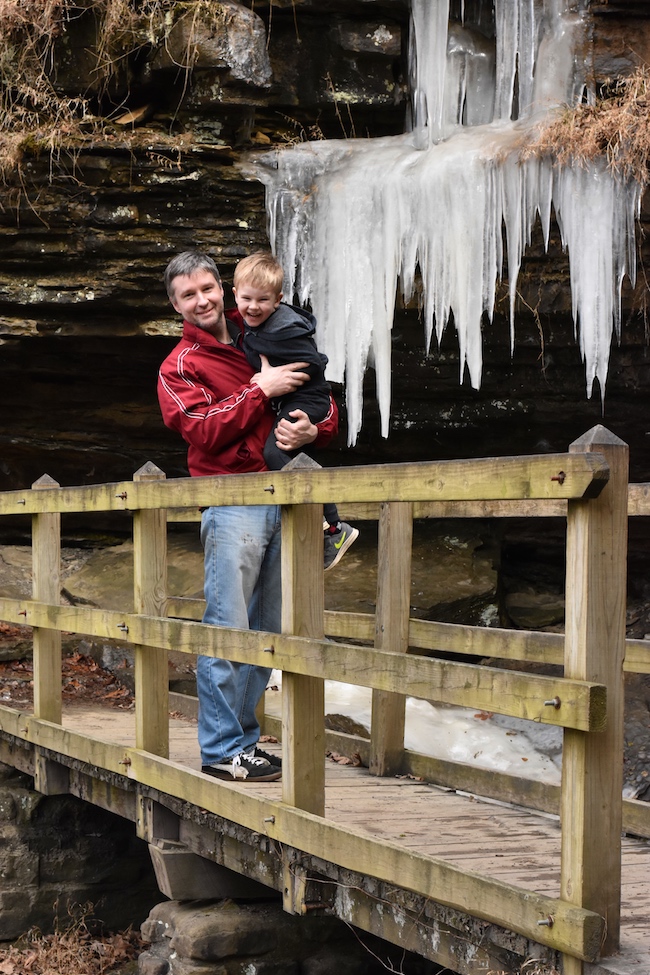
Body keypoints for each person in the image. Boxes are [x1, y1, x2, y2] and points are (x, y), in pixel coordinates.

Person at [157, 250, 339, 782]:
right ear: (176, 305)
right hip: (233, 498)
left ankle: (247, 742)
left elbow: (317, 395)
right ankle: (221, 750)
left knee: (267, 630)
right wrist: (259, 389)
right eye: (188, 295)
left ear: (224, 287)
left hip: (284, 496)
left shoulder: (263, 329)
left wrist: (312, 430)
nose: (203, 300)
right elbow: (205, 429)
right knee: (228, 626)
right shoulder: (179, 367)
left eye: (208, 288)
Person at [233, 251, 359, 571]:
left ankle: (333, 527)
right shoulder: (250, 324)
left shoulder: (285, 329)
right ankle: (329, 527)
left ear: (278, 300)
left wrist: (272, 376)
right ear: (235, 295)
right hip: (291, 401)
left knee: (276, 452)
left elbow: (315, 363)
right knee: (283, 454)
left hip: (308, 398)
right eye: (246, 298)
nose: (253, 306)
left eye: (262, 300)